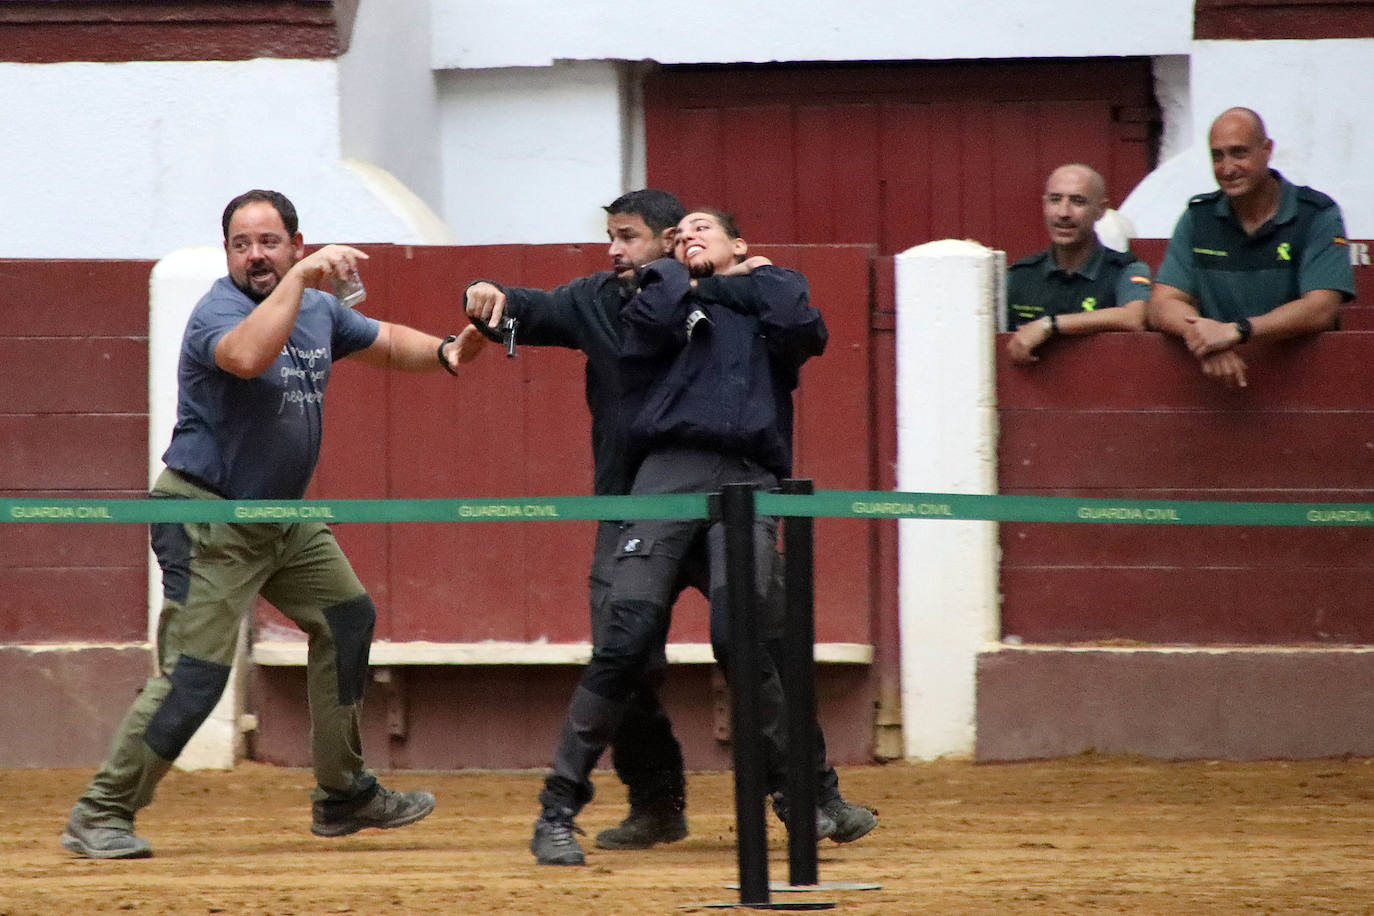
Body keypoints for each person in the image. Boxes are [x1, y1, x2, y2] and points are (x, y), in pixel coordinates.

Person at [60, 189, 485, 859]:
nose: (255, 254)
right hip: (208, 517)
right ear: (229, 253)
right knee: (195, 677)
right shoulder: (219, 310)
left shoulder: (317, 308)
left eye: (268, 242)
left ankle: (343, 794)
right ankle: (101, 812)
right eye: (241, 244)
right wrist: (297, 281)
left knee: (346, 619)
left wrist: (444, 354)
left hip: (279, 517)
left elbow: (382, 340)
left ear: (296, 242)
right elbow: (246, 357)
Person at [467, 194, 875, 858]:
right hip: (646, 492)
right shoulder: (624, 298)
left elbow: (803, 323)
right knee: (622, 643)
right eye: (613, 238)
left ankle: (810, 792)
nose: (614, 249)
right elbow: (539, 314)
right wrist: (486, 302)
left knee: (753, 636)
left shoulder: (757, 292)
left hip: (734, 483)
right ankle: (621, 804)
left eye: (630, 237)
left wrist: (739, 277)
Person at [1147, 107, 1356, 389]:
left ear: (1267, 150)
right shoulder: (1199, 217)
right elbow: (1162, 303)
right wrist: (1205, 337)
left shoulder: (1315, 214)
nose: (1228, 168)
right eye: (1217, 156)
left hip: (1307, 385)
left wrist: (1237, 331)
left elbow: (1320, 308)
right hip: (1217, 392)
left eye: (1239, 153)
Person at [1005, 163, 1151, 364]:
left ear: (1100, 210)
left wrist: (1050, 325)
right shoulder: (1020, 276)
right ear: (1045, 205)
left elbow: (1135, 317)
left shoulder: (1124, 270)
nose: (1064, 212)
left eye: (1078, 201)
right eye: (1055, 200)